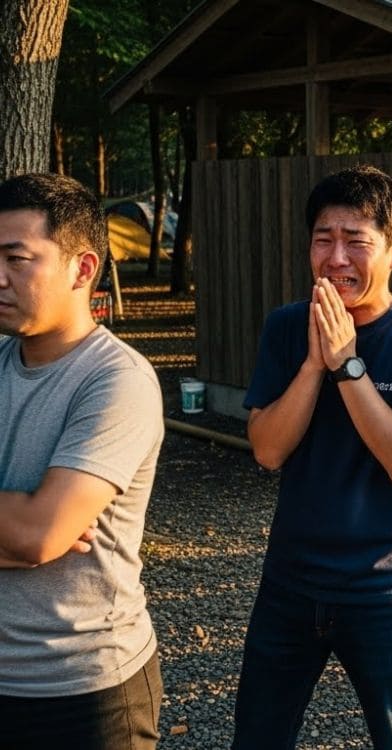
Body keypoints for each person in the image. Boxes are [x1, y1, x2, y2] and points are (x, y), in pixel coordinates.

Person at [231, 165, 392, 750]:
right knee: (258, 734)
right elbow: (268, 449)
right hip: (292, 578)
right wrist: (313, 363)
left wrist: (345, 362)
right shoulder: (286, 328)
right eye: (323, 239)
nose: (336, 258)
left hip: (387, 587)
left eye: (356, 241)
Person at [0, 173, 164, 748]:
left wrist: (31, 531)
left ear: (82, 268)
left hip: (83, 691)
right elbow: (25, 535)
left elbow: (41, 535)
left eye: (17, 258)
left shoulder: (117, 381)